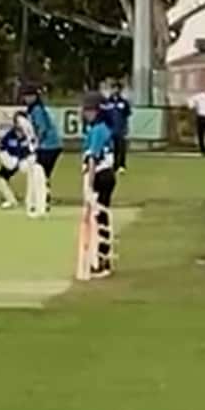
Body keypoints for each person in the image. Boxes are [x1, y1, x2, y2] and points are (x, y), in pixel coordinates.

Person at [78, 92, 117, 280]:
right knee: (101, 216)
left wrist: (89, 183)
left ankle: (103, 261)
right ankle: (103, 259)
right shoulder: (100, 128)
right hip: (103, 175)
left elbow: (93, 158)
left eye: (90, 110)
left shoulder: (99, 130)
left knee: (99, 217)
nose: (87, 113)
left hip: (101, 176)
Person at [21, 84, 61, 212]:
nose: (27, 98)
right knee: (43, 174)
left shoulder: (37, 109)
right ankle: (43, 201)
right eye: (25, 96)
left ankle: (42, 202)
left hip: (49, 146)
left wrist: (36, 143)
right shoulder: (35, 109)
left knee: (40, 173)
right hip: (51, 145)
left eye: (30, 96)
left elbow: (42, 128)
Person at [0, 112, 36, 209]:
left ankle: (32, 200)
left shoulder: (30, 134)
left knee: (33, 172)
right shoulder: (9, 135)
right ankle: (11, 201)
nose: (19, 124)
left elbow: (33, 149)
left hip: (27, 161)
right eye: (17, 121)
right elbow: (2, 148)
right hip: (13, 161)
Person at [104, 83, 132, 172]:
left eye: (117, 89)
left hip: (120, 128)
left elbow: (127, 114)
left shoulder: (124, 102)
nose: (115, 91)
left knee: (121, 147)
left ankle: (122, 165)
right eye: (113, 88)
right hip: (110, 129)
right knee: (112, 148)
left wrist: (125, 127)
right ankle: (114, 165)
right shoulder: (107, 102)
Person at [188, 90, 205, 156]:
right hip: (201, 116)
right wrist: (192, 107)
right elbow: (190, 99)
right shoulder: (200, 96)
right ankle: (203, 149)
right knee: (201, 134)